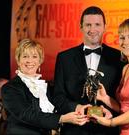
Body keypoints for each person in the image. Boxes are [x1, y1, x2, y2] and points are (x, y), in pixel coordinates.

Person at [52, 6, 124, 135]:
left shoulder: (119, 58)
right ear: (81, 27)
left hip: (107, 130)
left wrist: (109, 112)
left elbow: (124, 99)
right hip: (73, 130)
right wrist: (77, 107)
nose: (92, 29)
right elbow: (57, 97)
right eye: (88, 25)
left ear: (104, 27)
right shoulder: (64, 58)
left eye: (97, 24)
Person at [1, 38, 88, 135]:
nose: (30, 61)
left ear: (40, 61)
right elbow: (27, 114)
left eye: (34, 56)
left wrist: (78, 107)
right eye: (25, 56)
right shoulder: (10, 88)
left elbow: (60, 101)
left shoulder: (47, 87)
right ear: (18, 60)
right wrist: (61, 119)